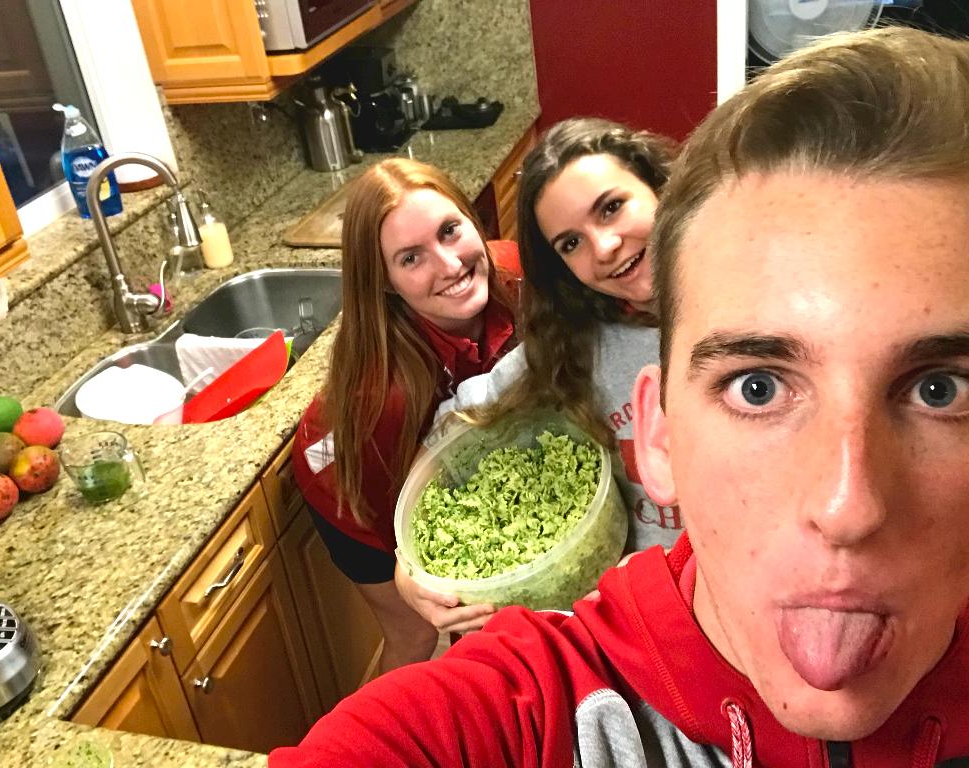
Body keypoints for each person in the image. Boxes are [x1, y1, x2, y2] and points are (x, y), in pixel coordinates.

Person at [271, 26, 969, 766]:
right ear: (659, 427)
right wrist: (406, 567)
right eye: (757, 386)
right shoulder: (567, 347)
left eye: (940, 389)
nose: (846, 507)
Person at [398, 119, 684, 634]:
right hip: (636, 627)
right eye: (570, 243)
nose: (604, 246)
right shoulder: (578, 345)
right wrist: (407, 571)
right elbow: (457, 422)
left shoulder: (764, 312)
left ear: (658, 185)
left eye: (611, 207)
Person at [291, 158, 519, 671]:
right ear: (387, 282)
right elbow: (408, 522)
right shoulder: (380, 396)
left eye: (450, 230)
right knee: (415, 631)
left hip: (421, 451)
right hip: (350, 478)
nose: (450, 265)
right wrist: (408, 568)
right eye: (412, 257)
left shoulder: (516, 275)